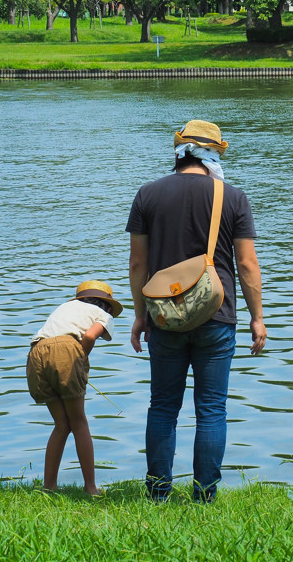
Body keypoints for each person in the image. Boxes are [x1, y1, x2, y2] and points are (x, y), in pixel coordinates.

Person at [127, 120, 267, 502]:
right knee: (211, 409)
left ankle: (158, 494)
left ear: (179, 154)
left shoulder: (147, 195)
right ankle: (204, 495)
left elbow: (137, 264)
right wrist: (257, 317)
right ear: (213, 155)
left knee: (162, 406)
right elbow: (247, 264)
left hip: (163, 317)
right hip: (216, 315)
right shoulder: (232, 197)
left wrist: (140, 316)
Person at [26, 280, 122, 495]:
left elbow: (52, 338)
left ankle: (49, 486)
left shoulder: (65, 307)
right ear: (107, 305)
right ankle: (91, 488)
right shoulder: (103, 314)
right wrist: (81, 357)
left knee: (61, 425)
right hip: (66, 350)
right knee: (79, 423)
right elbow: (89, 336)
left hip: (36, 352)